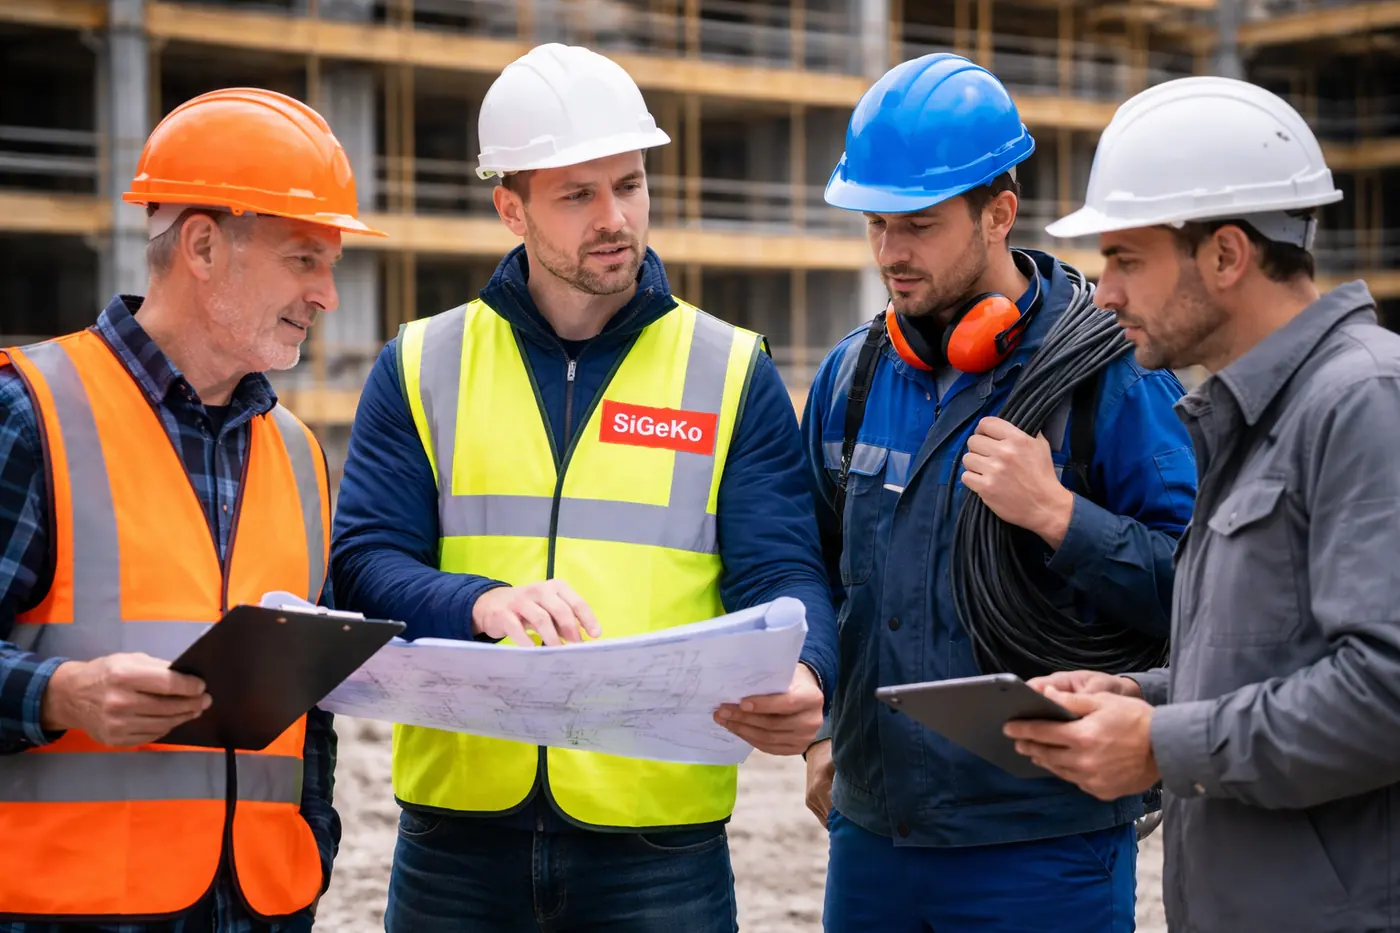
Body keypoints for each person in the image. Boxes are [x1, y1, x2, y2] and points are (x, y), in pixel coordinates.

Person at [329, 43, 838, 933]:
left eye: (630, 185)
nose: (615, 217)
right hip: (456, 836)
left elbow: (785, 575)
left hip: (658, 841)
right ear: (510, 208)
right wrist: (482, 603)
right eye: (577, 194)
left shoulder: (726, 367)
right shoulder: (421, 362)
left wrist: (808, 671)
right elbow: (364, 563)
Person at [799, 53, 1198, 933]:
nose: (890, 253)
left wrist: (1059, 515)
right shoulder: (852, 376)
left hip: (1043, 842)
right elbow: (810, 575)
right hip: (872, 839)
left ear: (999, 214)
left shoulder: (1114, 377)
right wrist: (827, 728)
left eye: (920, 225)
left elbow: (1205, 593)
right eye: (875, 223)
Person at [1007, 75, 1400, 932]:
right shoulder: (1251, 415)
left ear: (1226, 255)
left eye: (1126, 258)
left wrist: (1161, 745)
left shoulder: (1365, 402)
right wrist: (1143, 698)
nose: (1103, 293)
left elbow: (1386, 691)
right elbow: (1278, 665)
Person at [0, 87, 384, 931]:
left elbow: (303, 712)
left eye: (332, 266)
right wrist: (58, 693)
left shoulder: (296, 451)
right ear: (203, 245)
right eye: (302, 259)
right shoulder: (32, 410)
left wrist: (310, 849)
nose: (327, 295)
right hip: (67, 909)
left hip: (258, 907)